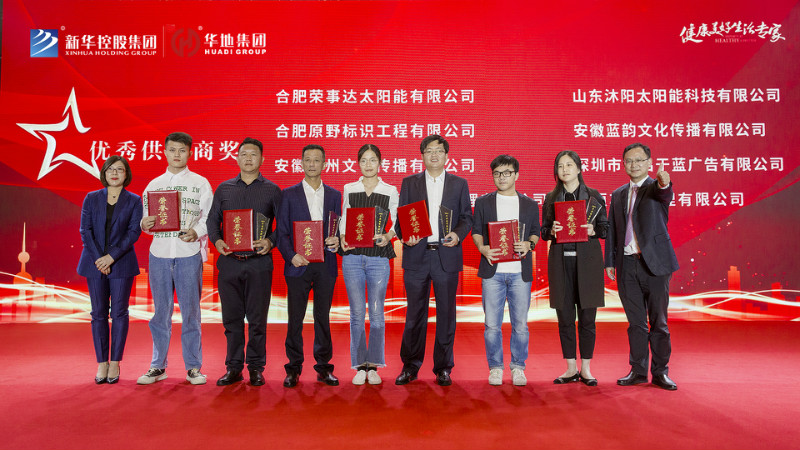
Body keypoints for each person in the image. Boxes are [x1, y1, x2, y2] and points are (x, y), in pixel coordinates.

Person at [394, 134, 473, 386]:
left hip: (445, 256)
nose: (434, 155)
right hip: (416, 257)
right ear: (422, 156)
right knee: (414, 315)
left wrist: (457, 234)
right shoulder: (410, 183)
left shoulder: (459, 184)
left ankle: (443, 368)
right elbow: (401, 219)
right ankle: (410, 366)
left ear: (447, 155)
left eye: (439, 150)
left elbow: (466, 217)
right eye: (429, 151)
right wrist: (405, 237)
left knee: (446, 315)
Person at [136, 132, 213, 386]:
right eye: (172, 150)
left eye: (182, 150)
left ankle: (193, 367)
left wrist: (196, 232)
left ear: (190, 152)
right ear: (165, 152)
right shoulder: (154, 185)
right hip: (159, 254)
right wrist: (145, 224)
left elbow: (209, 217)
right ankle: (158, 365)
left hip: (188, 253)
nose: (177, 154)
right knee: (160, 312)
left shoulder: (200, 183)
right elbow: (145, 220)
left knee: (191, 312)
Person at [206, 137, 281, 387]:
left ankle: (256, 368)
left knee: (258, 320)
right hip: (230, 263)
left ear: (262, 159)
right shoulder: (224, 189)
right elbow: (212, 221)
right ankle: (234, 367)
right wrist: (217, 241)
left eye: (253, 154)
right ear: (237, 158)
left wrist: (270, 241)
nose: (248, 158)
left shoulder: (272, 190)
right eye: (244, 154)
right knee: (232, 319)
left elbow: (282, 226)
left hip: (259, 263)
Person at [605, 143, 679, 391]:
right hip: (626, 265)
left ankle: (660, 372)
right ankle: (637, 371)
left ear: (649, 163)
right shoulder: (617, 194)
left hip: (655, 266)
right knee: (636, 323)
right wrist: (610, 262)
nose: (633, 164)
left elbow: (665, 193)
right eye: (629, 160)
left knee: (659, 322)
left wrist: (664, 183)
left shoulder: (655, 188)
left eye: (639, 160)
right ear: (623, 164)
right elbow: (613, 231)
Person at [276, 144, 342, 388]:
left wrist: (337, 242)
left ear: (325, 164)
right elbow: (282, 232)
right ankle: (293, 368)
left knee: (322, 317)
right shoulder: (288, 194)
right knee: (295, 318)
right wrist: (291, 255)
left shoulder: (334, 195)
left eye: (317, 160)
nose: (312, 164)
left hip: (326, 264)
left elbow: (339, 229)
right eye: (308, 159)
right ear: (301, 163)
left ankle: (324, 367)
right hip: (298, 265)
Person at [540, 150, 608, 387]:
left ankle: (586, 368)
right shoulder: (551, 198)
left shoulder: (593, 196)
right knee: (565, 317)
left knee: (588, 317)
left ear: (579, 168)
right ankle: (570, 368)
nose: (565, 170)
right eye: (560, 166)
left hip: (588, 263)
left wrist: (593, 230)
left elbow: (606, 228)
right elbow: (543, 231)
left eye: (569, 165)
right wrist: (551, 231)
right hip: (561, 263)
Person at [472, 155, 540, 386]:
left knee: (520, 324)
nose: (502, 177)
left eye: (507, 173)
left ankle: (518, 367)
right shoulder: (483, 202)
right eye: (497, 173)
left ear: (516, 175)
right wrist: (482, 248)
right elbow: (476, 231)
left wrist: (529, 244)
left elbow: (535, 232)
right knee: (492, 325)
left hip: (520, 272)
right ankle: (495, 367)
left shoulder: (529, 204)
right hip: (493, 271)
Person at [77, 155, 142, 384]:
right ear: (104, 173)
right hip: (95, 264)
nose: (114, 173)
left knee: (119, 313)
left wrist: (111, 257)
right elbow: (85, 231)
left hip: (122, 263)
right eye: (110, 169)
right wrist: (100, 259)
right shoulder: (91, 198)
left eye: (120, 169)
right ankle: (101, 363)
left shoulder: (134, 200)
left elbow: (133, 232)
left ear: (126, 174)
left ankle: (115, 362)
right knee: (98, 313)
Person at [339, 144, 399, 385]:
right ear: (358, 163)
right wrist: (343, 237)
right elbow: (344, 218)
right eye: (363, 160)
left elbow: (398, 220)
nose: (368, 164)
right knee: (356, 314)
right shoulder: (349, 188)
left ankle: (373, 365)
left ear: (380, 163)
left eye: (372, 160)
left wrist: (389, 235)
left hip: (378, 257)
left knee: (376, 313)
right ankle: (358, 365)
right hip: (352, 257)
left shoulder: (390, 190)